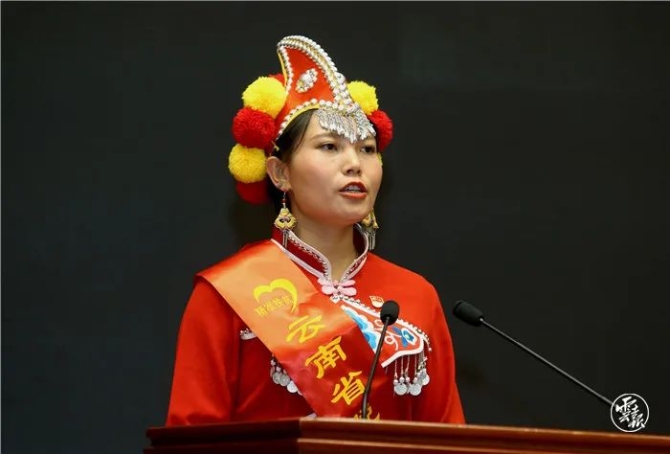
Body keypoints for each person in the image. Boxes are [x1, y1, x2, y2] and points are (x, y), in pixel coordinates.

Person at [165, 35, 465, 425]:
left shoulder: (416, 294)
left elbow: (448, 438)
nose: (355, 164)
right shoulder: (227, 295)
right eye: (329, 147)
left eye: (367, 149)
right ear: (280, 173)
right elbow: (191, 439)